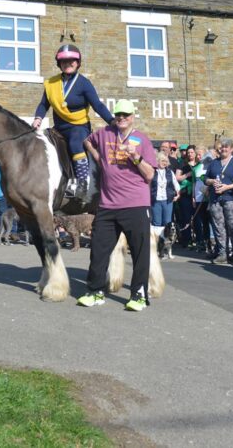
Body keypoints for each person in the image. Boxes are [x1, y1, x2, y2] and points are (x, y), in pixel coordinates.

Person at [78, 99, 156, 311]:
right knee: (98, 249)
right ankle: (95, 291)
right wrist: (99, 159)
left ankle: (139, 295)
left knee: (140, 252)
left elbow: (150, 175)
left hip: (136, 205)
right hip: (108, 205)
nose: (122, 118)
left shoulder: (142, 139)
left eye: (126, 115)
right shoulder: (104, 133)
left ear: (132, 117)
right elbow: (87, 141)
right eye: (119, 114)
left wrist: (136, 157)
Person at [32, 44, 114, 198]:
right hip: (59, 127)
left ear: (78, 63)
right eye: (64, 61)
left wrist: (112, 121)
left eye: (72, 61)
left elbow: (97, 105)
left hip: (79, 126)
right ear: (59, 64)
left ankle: (82, 182)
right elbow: (44, 104)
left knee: (75, 143)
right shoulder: (51, 84)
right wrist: (38, 118)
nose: (68, 63)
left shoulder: (84, 83)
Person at [204, 138, 233, 265]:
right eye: (222, 147)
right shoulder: (214, 163)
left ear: (231, 149)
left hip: (231, 199)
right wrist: (211, 182)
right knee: (219, 228)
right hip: (215, 199)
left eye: (226, 147)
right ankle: (223, 254)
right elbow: (205, 178)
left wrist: (227, 187)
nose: (223, 149)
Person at [175, 146, 197, 245]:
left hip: (197, 194)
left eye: (192, 152)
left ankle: (198, 239)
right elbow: (177, 178)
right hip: (185, 194)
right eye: (188, 152)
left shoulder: (199, 164)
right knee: (186, 217)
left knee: (197, 218)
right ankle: (186, 239)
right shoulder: (182, 164)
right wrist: (188, 174)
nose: (189, 154)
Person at [151, 152, 180, 227]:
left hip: (168, 201)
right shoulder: (152, 171)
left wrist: (178, 195)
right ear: (157, 160)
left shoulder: (170, 172)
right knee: (157, 223)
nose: (164, 163)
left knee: (167, 223)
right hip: (155, 201)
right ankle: (158, 239)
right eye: (162, 160)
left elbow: (176, 184)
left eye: (166, 161)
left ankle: (166, 238)